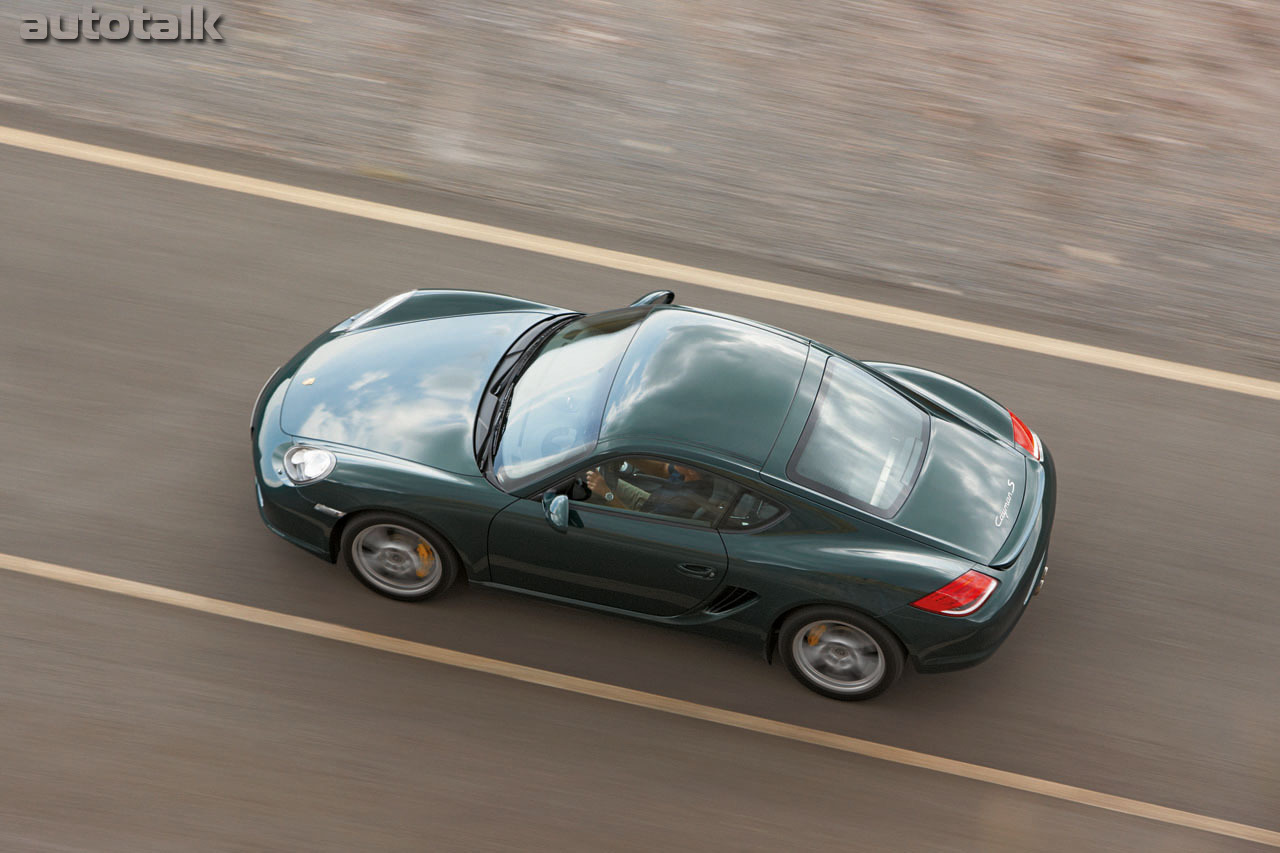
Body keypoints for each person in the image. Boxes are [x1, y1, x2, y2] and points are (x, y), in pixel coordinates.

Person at [585, 459, 714, 520]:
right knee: (590, 476)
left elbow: (639, 524)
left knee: (591, 496)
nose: (675, 460)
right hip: (651, 502)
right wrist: (630, 456)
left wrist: (607, 494)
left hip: (643, 517)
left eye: (680, 461)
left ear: (691, 471)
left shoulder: (681, 502)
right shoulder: (690, 474)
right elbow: (661, 469)